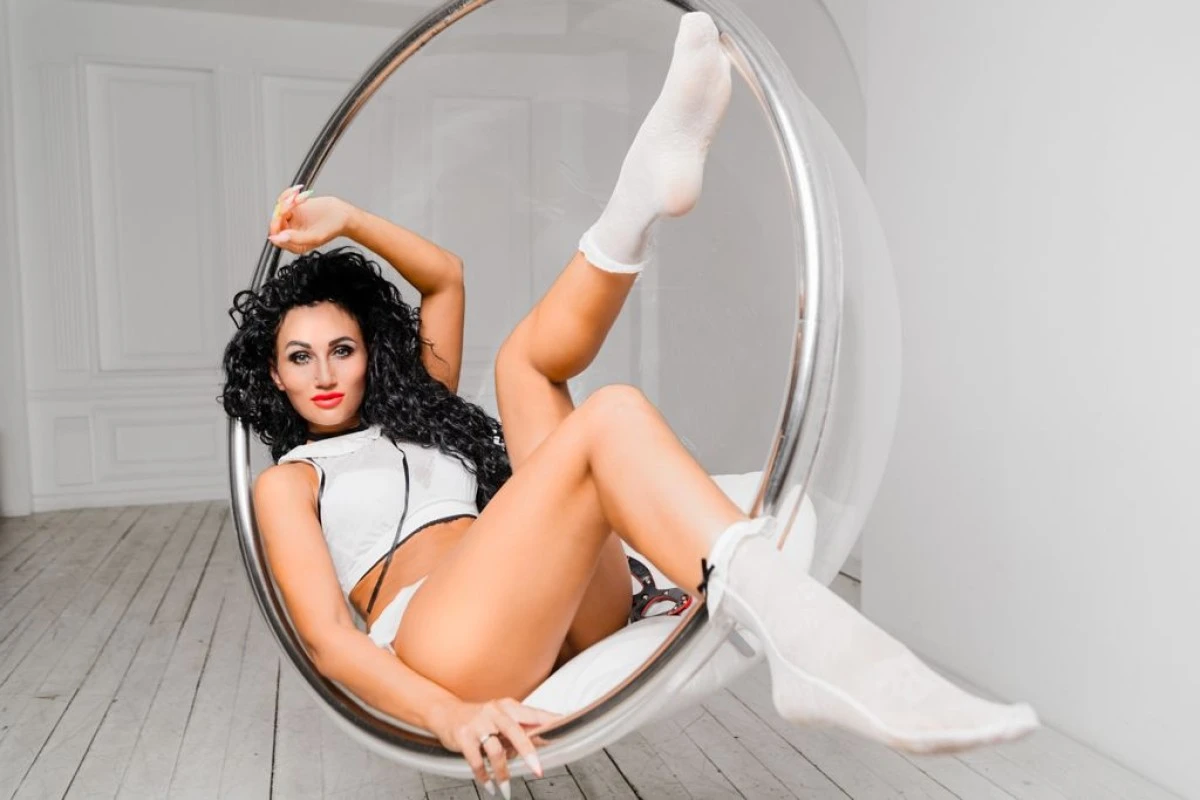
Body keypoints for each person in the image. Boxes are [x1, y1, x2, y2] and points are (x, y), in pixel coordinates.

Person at [222, 13, 1037, 799]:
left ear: (370, 354)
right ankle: (810, 635)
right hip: (445, 646)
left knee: (522, 365)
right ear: (274, 377)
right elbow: (328, 642)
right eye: (299, 357)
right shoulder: (289, 483)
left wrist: (347, 220)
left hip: (565, 609)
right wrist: (449, 714)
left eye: (342, 348)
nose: (324, 372)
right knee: (604, 417)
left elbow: (445, 277)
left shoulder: (417, 410)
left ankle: (638, 201)